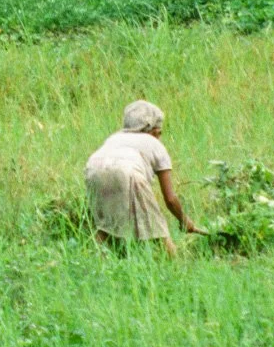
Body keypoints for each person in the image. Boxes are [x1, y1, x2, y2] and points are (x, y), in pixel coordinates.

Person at [84, 100, 200, 255]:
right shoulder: (155, 144)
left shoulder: (114, 138)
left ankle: (97, 261)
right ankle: (176, 263)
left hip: (93, 170)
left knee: (105, 227)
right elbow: (170, 199)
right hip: (128, 173)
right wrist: (184, 220)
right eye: (159, 132)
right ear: (153, 131)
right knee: (157, 230)